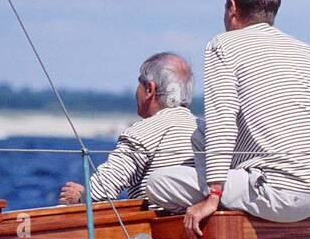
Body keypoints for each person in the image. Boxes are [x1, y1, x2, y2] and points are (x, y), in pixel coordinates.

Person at [144, 0, 310, 236]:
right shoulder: (304, 50)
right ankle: (235, 190)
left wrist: (213, 197)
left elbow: (223, 121)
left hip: (279, 196)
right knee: (201, 134)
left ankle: (225, 204)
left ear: (232, 6)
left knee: (158, 183)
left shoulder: (223, 45)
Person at [58, 52, 202, 207]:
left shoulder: (143, 132)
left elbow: (102, 190)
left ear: (149, 89)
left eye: (139, 83)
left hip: (158, 228)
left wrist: (81, 196)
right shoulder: (205, 129)